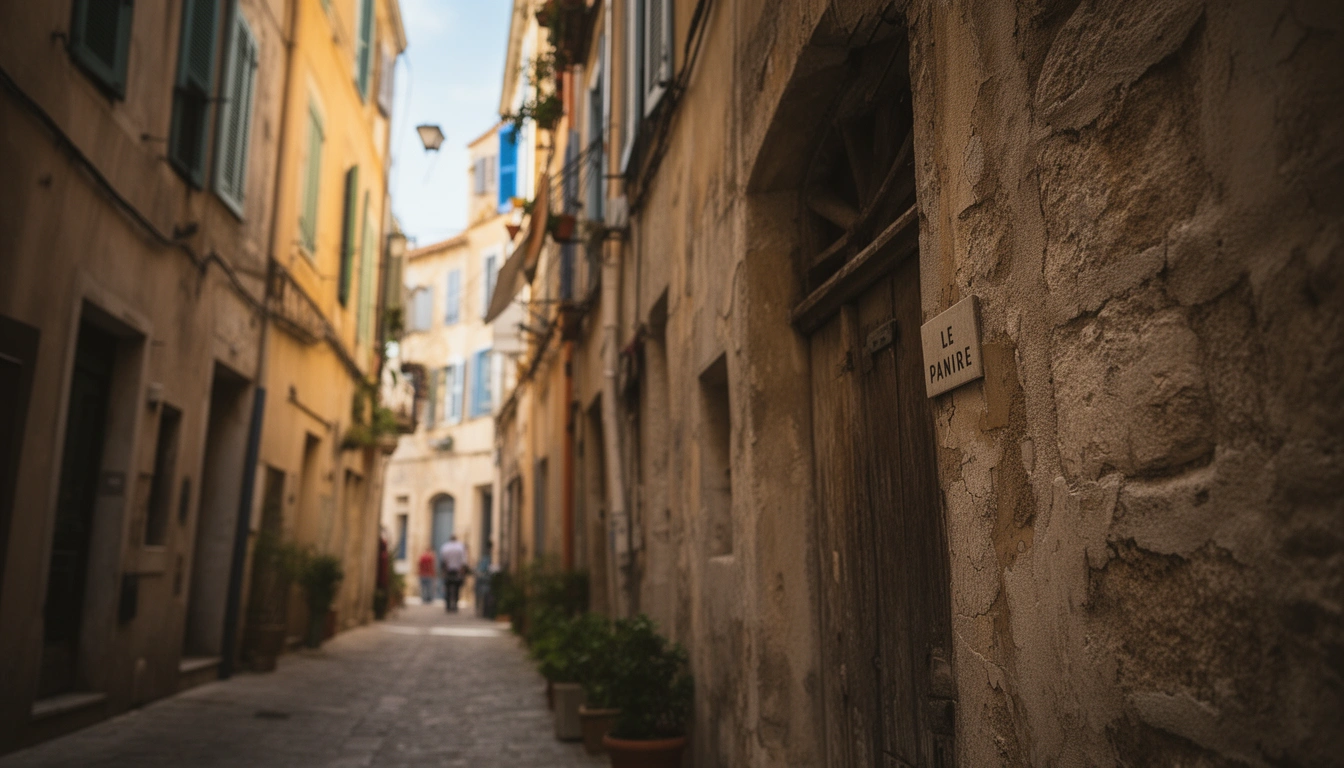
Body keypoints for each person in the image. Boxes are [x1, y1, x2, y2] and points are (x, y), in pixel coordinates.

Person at [439, 535, 467, 612]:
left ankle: (448, 606)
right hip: (457, 571)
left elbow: (443, 560)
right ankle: (455, 606)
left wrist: (443, 571)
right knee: (457, 589)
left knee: (448, 589)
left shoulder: (445, 547)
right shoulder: (460, 547)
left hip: (448, 570)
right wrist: (462, 570)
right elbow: (464, 560)